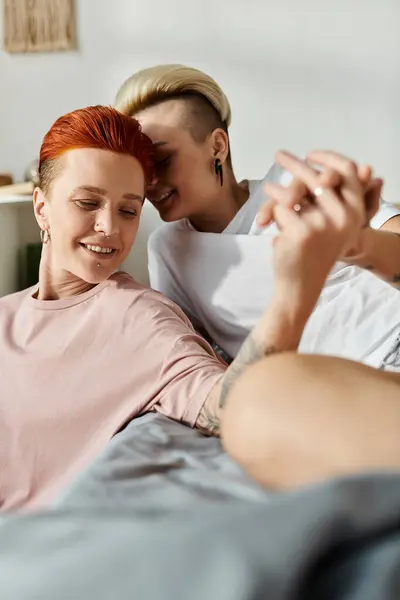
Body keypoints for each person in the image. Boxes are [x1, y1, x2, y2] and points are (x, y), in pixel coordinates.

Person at [0, 105, 398, 513]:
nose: (110, 228)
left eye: (128, 210)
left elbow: (235, 406)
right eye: (87, 202)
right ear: (41, 207)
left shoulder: (137, 316)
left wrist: (297, 287)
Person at [114, 64, 400, 369]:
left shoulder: (291, 184)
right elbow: (191, 358)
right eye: (142, 167)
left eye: (162, 160)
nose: (151, 181)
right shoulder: (168, 249)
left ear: (217, 146)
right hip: (337, 386)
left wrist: (352, 241)